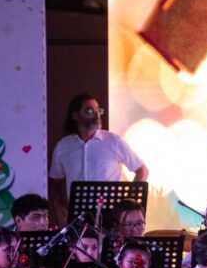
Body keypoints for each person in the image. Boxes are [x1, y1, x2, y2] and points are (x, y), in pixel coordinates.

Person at [48, 94, 148, 226]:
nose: (96, 115)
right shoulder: (63, 146)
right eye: (90, 111)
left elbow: (142, 170)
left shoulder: (113, 141)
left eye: (98, 110)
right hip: (77, 218)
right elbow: (55, 183)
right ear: (75, 116)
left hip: (110, 216)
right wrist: (60, 211)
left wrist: (127, 206)